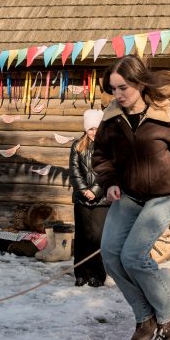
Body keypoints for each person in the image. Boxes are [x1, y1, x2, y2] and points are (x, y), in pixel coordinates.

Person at [91, 57, 170, 340]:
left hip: (164, 195)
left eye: (124, 87)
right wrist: (110, 183)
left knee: (133, 256)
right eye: (113, 89)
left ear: (140, 84)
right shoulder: (110, 119)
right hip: (128, 196)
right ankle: (145, 317)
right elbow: (101, 157)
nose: (118, 94)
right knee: (110, 255)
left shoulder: (167, 116)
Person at [69, 108, 108, 287]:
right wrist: (84, 190)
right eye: (91, 129)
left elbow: (108, 171)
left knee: (98, 237)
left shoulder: (108, 147)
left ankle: (97, 275)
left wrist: (95, 190)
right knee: (83, 237)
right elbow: (74, 171)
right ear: (86, 129)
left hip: (102, 199)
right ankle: (81, 273)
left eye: (97, 129)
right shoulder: (77, 146)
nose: (94, 133)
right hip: (81, 198)